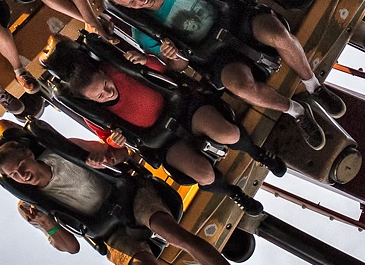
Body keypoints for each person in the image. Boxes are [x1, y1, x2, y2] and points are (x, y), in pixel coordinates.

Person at [0, 132, 266, 265]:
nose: (22, 175)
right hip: (106, 231)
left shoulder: (62, 151)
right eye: (15, 175)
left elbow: (121, 154)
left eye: (21, 167)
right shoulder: (31, 205)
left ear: (30, 155)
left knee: (173, 233)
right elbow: (71, 247)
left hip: (128, 198)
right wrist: (46, 224)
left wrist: (105, 155)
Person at [101, 0, 344, 149]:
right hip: (213, 54)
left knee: (278, 35)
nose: (139, 1)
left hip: (234, 19)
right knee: (241, 87)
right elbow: (176, 68)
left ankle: (314, 86)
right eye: (131, 4)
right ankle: (297, 111)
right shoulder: (142, 32)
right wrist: (172, 55)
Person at [42, 37, 285, 210]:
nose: (107, 93)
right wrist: (115, 141)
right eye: (99, 96)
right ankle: (235, 194)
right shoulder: (92, 114)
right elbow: (109, 140)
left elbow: (162, 69)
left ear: (105, 74)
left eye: (105, 85)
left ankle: (258, 153)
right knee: (203, 173)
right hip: (161, 140)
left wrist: (144, 60)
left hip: (182, 110)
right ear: (88, 99)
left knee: (227, 134)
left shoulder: (117, 68)